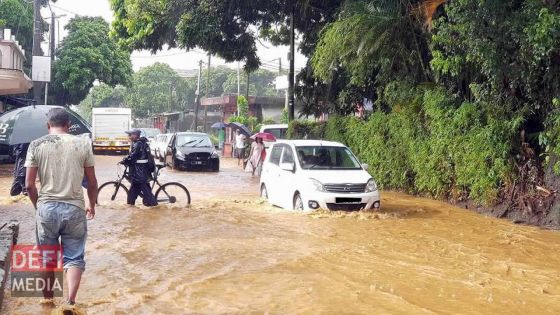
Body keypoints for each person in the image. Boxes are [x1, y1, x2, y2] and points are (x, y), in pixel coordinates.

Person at [25, 108, 98, 306]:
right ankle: (70, 301)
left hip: (46, 208)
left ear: (48, 125)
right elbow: (92, 183)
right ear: (68, 125)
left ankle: (48, 302)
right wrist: (92, 205)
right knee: (74, 256)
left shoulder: (36, 145)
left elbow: (29, 185)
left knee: (47, 258)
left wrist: (38, 206)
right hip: (74, 208)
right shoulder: (83, 143)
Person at [121, 129, 158, 207]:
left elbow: (132, 157)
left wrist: (124, 160)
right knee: (131, 196)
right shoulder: (140, 143)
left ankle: (156, 209)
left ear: (135, 135)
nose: (129, 137)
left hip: (140, 174)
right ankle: (131, 209)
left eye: (130, 135)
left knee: (148, 196)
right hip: (140, 173)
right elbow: (134, 157)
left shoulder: (138, 144)